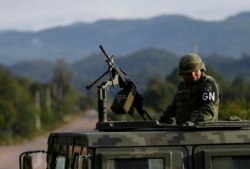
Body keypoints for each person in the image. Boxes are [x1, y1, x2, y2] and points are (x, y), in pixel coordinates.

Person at [159, 53, 220, 124]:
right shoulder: (182, 86)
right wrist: (162, 121)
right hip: (182, 131)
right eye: (189, 73)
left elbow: (208, 112)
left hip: (201, 130)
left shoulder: (208, 84)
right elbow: (172, 109)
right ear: (182, 74)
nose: (193, 75)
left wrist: (193, 122)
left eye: (196, 72)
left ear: (201, 69)